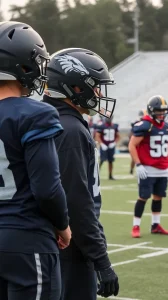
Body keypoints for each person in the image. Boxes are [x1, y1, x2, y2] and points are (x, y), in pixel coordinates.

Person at [0, 21, 71, 300]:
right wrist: (63, 226)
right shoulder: (35, 113)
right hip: (26, 237)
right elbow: (47, 188)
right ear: (24, 66)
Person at [43, 48, 119, 300]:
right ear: (74, 87)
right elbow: (77, 203)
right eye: (94, 86)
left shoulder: (46, 119)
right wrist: (101, 260)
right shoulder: (71, 130)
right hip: (70, 248)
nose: (98, 93)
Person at [129, 95, 168, 238]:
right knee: (143, 197)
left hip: (163, 168)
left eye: (163, 111)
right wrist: (138, 164)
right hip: (148, 169)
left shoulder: (166, 126)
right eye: (158, 111)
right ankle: (136, 226)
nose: (161, 114)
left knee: (158, 197)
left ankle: (156, 225)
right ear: (151, 111)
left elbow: (167, 144)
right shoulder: (146, 125)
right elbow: (132, 145)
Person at [96, 116, 120, 180]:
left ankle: (110, 175)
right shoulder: (101, 126)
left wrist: (114, 143)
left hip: (111, 146)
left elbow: (118, 136)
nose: (108, 119)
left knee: (111, 161)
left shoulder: (115, 126)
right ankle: (96, 173)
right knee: (102, 160)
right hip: (104, 146)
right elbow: (97, 136)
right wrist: (102, 144)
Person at [129, 109, 147, 175]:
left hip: (142, 144)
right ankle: (131, 169)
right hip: (136, 142)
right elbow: (131, 134)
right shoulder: (136, 124)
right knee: (134, 158)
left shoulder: (147, 124)